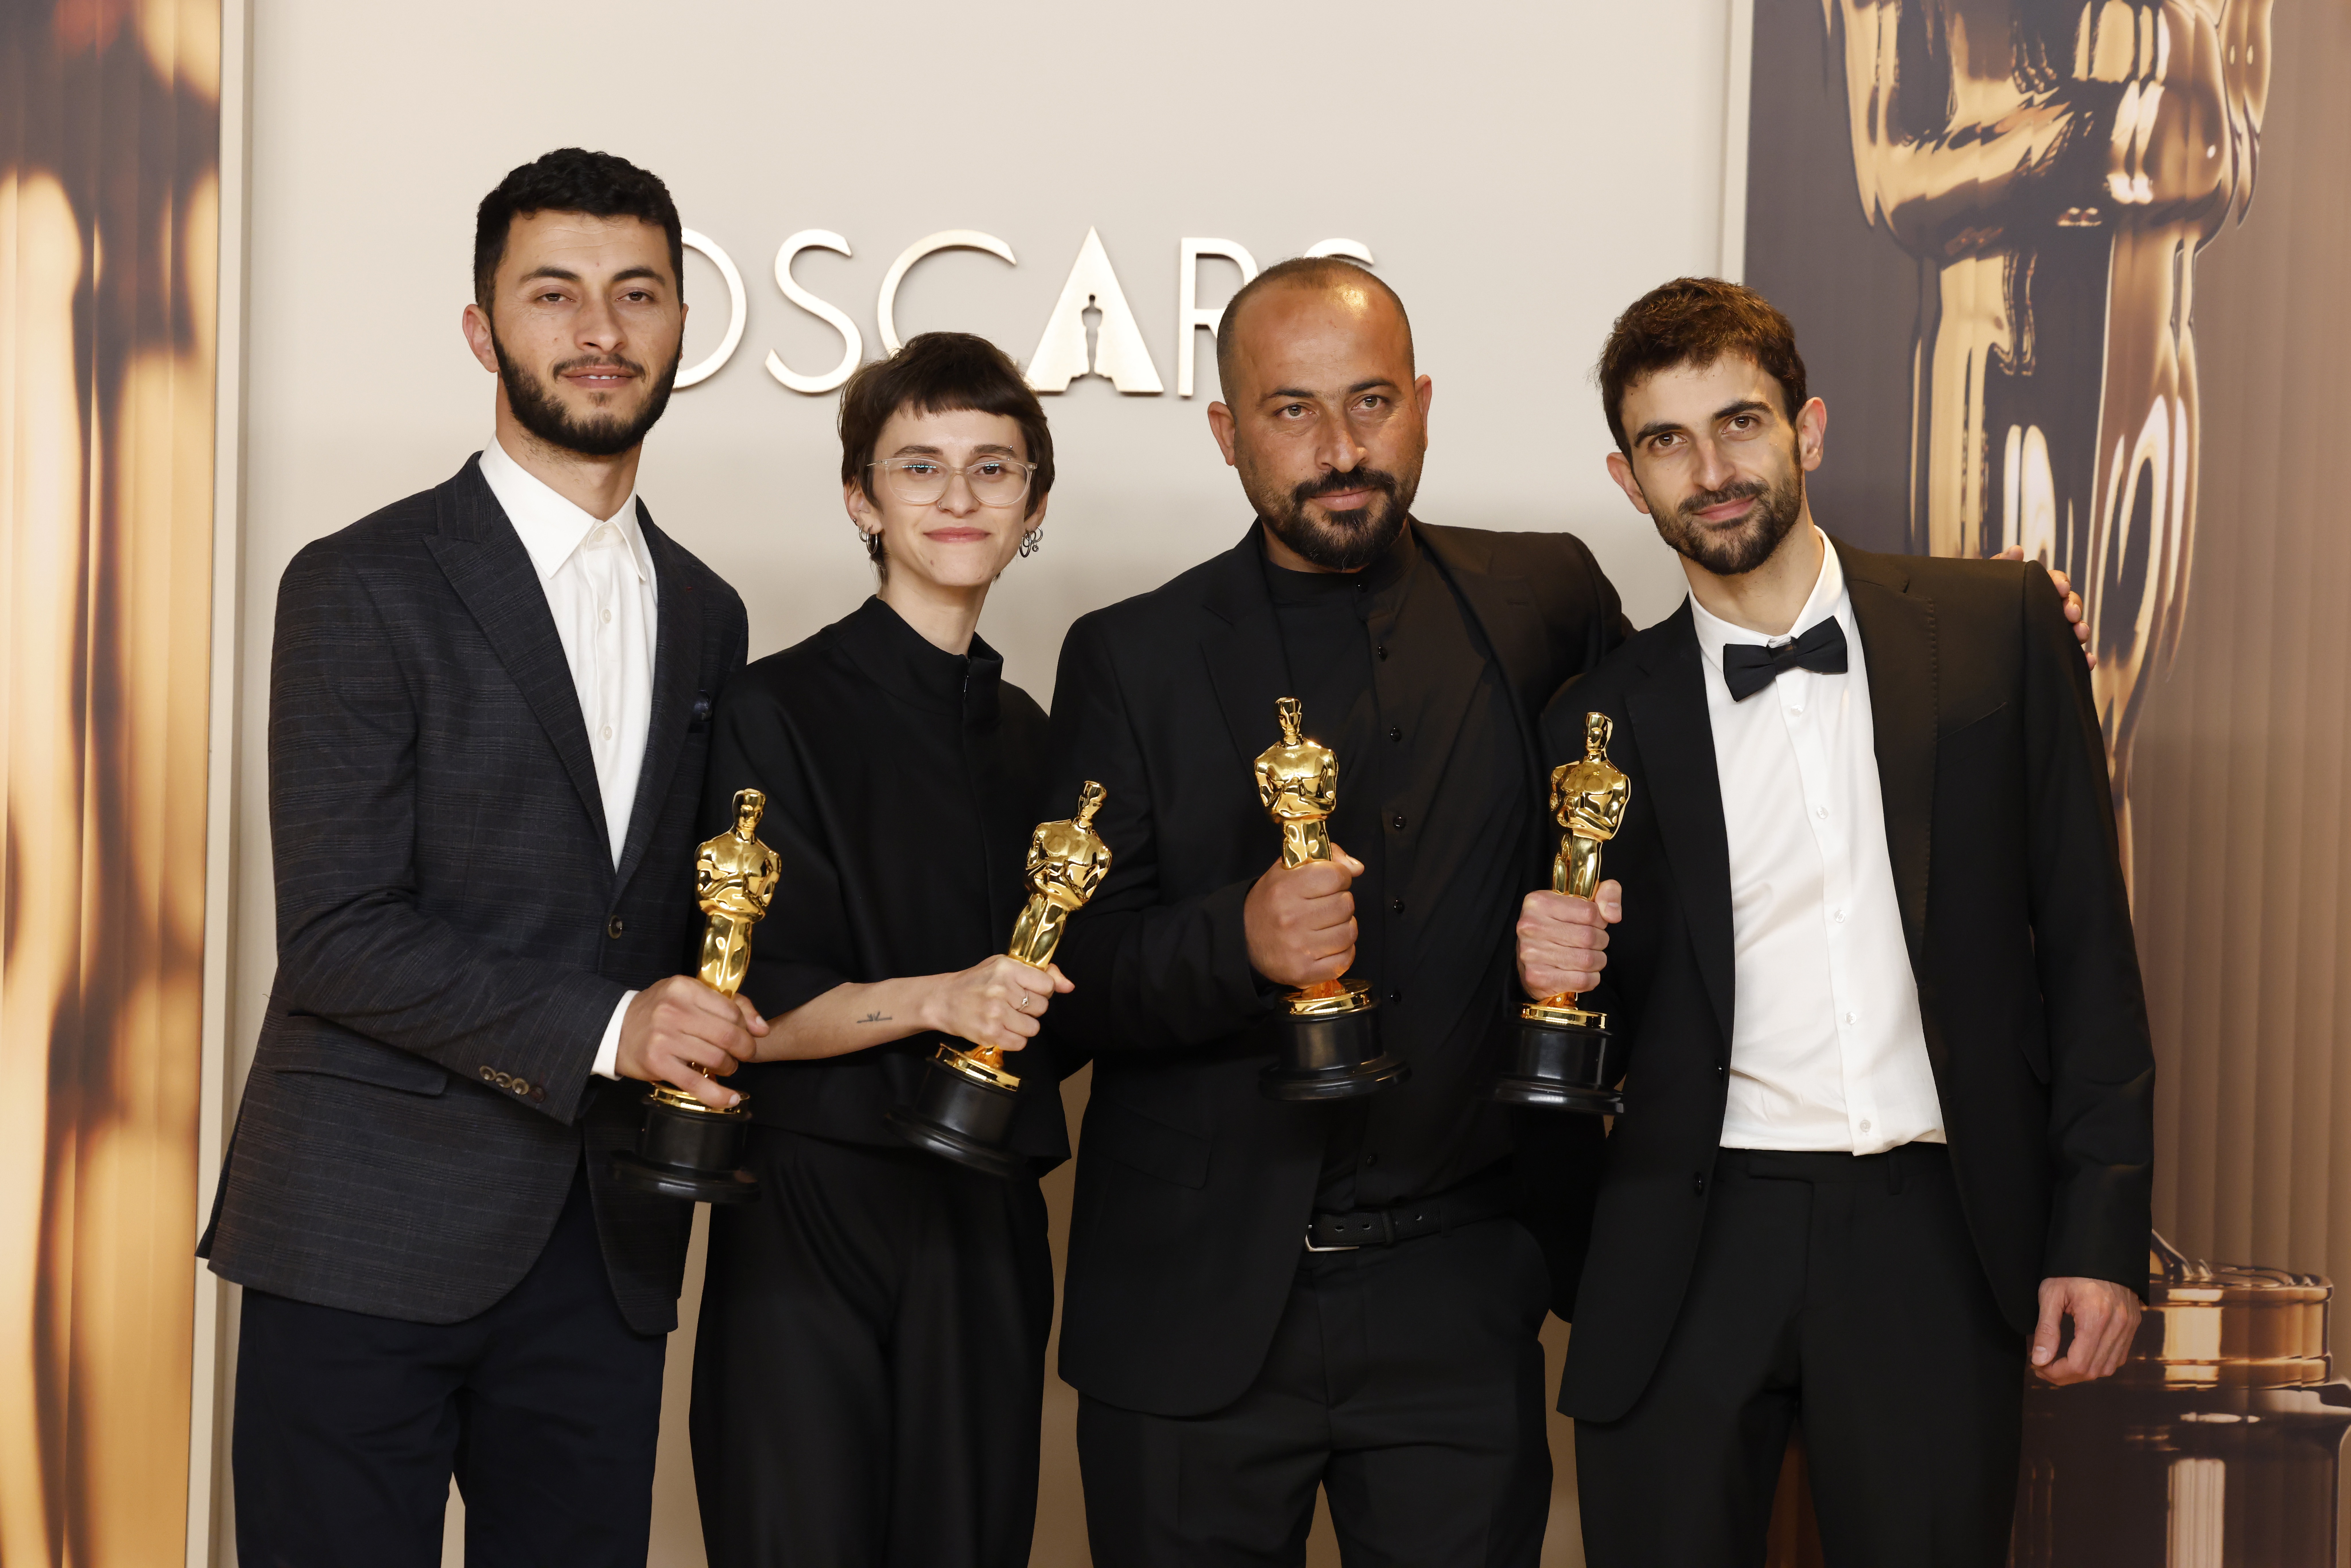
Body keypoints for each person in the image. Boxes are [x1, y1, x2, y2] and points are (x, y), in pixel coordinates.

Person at [1517, 277, 2152, 1566]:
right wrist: (1555, 975)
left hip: (1932, 1231)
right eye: (1665, 442)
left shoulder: (1999, 630)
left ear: (1806, 429)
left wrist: (2098, 1234)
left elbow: (2088, 956)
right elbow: (1593, 1008)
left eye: (1738, 423)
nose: (1711, 470)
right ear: (1624, 475)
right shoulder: (1592, 717)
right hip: (1683, 1238)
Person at [198, 148, 756, 1567]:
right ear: (481, 331)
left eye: (637, 294)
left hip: (603, 1250)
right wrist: (618, 1027)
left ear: (685, 323)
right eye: (553, 292)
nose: (599, 331)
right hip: (364, 1230)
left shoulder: (708, 611)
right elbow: (337, 933)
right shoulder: (359, 581)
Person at [1038, 256, 1628, 1565]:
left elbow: (1698, 751)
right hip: (1190, 1305)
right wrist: (1233, 942)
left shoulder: (1548, 603)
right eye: (1291, 411)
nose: (1340, 448)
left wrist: (1965, 622)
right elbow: (1063, 977)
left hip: (1460, 1300)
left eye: (1369, 401)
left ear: (1422, 403)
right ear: (1226, 432)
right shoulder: (1126, 655)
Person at [688, 331, 1068, 1568]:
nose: (958, 498)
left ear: (1034, 503)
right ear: (861, 497)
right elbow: (745, 1013)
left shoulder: (1033, 737)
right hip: (811, 1206)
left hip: (987, 1211)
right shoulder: (772, 709)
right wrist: (945, 998)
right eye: (918, 467)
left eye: (991, 467)